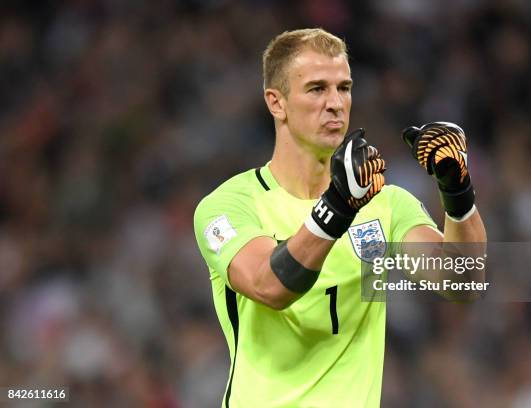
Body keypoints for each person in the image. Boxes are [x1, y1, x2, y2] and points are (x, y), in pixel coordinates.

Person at [194, 28, 486, 408]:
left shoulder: (386, 204)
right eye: (317, 89)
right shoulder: (230, 206)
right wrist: (339, 206)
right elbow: (269, 286)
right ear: (276, 103)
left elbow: (461, 283)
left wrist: (458, 193)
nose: (335, 103)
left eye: (344, 88)